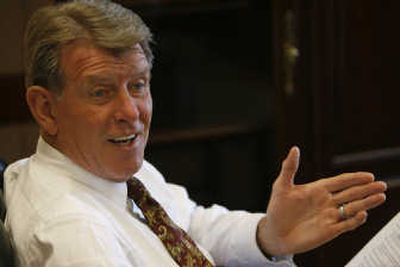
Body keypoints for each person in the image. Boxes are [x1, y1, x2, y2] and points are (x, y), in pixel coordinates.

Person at [4, 0, 387, 266]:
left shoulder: (107, 170)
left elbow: (191, 222)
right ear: (45, 108)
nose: (130, 112)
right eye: (101, 92)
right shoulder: (74, 235)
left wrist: (268, 235)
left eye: (138, 86)